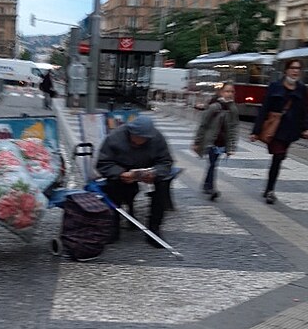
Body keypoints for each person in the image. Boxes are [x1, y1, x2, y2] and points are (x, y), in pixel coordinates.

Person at [96, 114, 174, 246]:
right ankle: (113, 227)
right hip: (123, 171)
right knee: (112, 187)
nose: (139, 141)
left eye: (143, 139)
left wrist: (154, 172)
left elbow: (165, 162)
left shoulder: (157, 138)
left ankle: (154, 229)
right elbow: (103, 163)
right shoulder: (115, 138)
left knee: (163, 185)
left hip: (147, 170)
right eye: (136, 138)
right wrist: (120, 173)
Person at [250, 58, 308, 204]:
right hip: (275, 129)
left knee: (279, 157)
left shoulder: (302, 89)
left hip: (291, 130)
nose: (295, 71)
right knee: (277, 158)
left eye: (298, 69)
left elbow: (305, 110)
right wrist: (256, 131)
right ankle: (270, 190)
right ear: (286, 70)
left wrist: (307, 127)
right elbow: (264, 109)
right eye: (292, 68)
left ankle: (268, 188)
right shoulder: (275, 86)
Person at [192, 82, 239, 201]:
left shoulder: (233, 108)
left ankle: (207, 184)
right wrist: (197, 142)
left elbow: (234, 127)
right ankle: (211, 187)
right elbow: (203, 124)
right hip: (211, 141)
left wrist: (232, 146)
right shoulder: (214, 107)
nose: (229, 94)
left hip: (222, 142)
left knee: (213, 163)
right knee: (213, 163)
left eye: (232, 92)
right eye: (227, 91)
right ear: (221, 92)